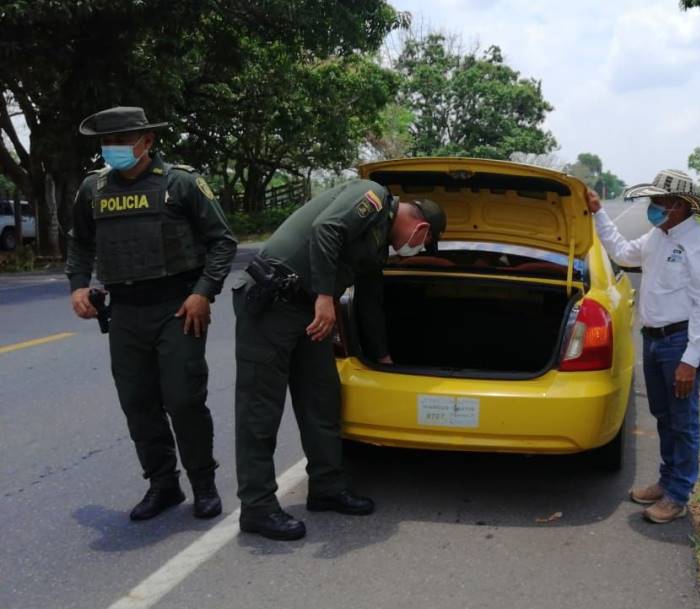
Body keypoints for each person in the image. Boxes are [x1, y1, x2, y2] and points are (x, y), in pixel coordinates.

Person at [233, 179, 446, 541]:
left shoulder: (378, 244)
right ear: (421, 227)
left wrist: (383, 356)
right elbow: (326, 229)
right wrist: (325, 296)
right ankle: (257, 507)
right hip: (273, 304)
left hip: (308, 313)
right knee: (260, 409)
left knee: (322, 397)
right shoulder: (372, 196)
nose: (417, 250)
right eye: (424, 243)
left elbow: (370, 301)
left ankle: (327, 487)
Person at [66, 106, 237, 521]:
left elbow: (222, 241)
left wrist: (203, 293)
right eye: (107, 142)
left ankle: (203, 484)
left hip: (178, 308)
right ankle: (163, 485)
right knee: (138, 403)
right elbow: (80, 242)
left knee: (183, 399)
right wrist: (78, 285)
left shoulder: (181, 183)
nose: (114, 148)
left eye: (122, 140)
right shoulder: (93, 189)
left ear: (147, 141)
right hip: (125, 313)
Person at [586, 169, 700, 524]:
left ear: (680, 205)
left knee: (684, 421)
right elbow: (622, 252)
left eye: (660, 201)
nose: (654, 206)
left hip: (680, 343)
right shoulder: (656, 236)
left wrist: (691, 360)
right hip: (652, 340)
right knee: (663, 416)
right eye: (653, 200)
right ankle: (666, 480)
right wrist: (599, 213)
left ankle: (678, 495)